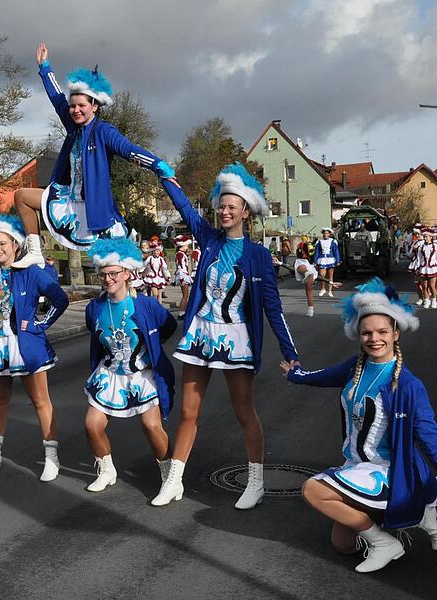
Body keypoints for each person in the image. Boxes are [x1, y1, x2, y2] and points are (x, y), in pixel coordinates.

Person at [152, 163, 299, 509]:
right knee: (189, 412)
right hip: (202, 334)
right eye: (222, 205)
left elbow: (273, 309)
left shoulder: (259, 256)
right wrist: (166, 177)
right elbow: (186, 210)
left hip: (237, 339)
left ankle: (256, 481)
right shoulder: (209, 239)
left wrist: (290, 350)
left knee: (244, 410)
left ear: (246, 212)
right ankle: (174, 480)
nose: (225, 211)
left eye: (233, 206)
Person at [280, 278, 437, 573]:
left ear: (396, 333)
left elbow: (429, 435)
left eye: (382, 332)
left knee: (313, 490)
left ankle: (387, 540)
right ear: (358, 334)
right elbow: (323, 375)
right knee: (344, 545)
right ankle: (406, 519)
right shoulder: (358, 366)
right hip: (356, 466)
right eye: (367, 332)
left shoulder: (407, 385)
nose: (374, 338)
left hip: (387, 470)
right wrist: (295, 375)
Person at [11, 43, 175, 268]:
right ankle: (35, 252)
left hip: (95, 210)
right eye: (73, 106)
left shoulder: (104, 131)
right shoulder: (73, 127)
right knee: (21, 196)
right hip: (67, 202)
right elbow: (58, 98)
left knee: (112, 270)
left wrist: (159, 166)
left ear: (95, 106)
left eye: (81, 106)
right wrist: (45, 68)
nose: (75, 110)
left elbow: (130, 150)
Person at [0, 214, 69, 480]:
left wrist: (39, 325)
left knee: (40, 401)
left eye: (3, 243)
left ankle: (51, 457)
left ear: (16, 244)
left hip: (26, 346)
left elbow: (60, 299)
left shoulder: (31, 271)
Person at [83, 238, 177, 495]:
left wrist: (151, 349)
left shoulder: (146, 305)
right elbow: (97, 339)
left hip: (142, 375)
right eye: (103, 274)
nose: (108, 279)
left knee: (151, 426)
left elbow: (168, 326)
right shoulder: (94, 308)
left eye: (113, 273)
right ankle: (106, 469)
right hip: (110, 374)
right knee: (92, 425)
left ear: (127, 273)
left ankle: (170, 476)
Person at [314, 227, 341, 297]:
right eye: (324, 233)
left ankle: (330, 290)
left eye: (326, 233)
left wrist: (338, 260)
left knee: (330, 276)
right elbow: (317, 252)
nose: (325, 235)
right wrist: (315, 261)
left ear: (329, 234)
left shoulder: (333, 241)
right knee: (322, 275)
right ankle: (323, 289)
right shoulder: (319, 242)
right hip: (322, 259)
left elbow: (336, 251)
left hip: (330, 259)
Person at [173, 235, 193, 319]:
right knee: (185, 295)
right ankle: (181, 313)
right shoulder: (180, 254)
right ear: (182, 245)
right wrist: (182, 278)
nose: (187, 247)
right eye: (186, 245)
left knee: (185, 295)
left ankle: (183, 312)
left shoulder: (181, 254)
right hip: (183, 275)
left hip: (183, 275)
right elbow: (181, 266)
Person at [417, 227, 437, 308]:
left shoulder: (435, 246)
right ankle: (426, 301)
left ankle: (434, 300)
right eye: (424, 236)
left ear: (431, 237)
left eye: (426, 237)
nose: (425, 238)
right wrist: (418, 268)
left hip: (433, 268)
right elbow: (419, 258)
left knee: (432, 286)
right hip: (423, 268)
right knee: (424, 286)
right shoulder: (421, 247)